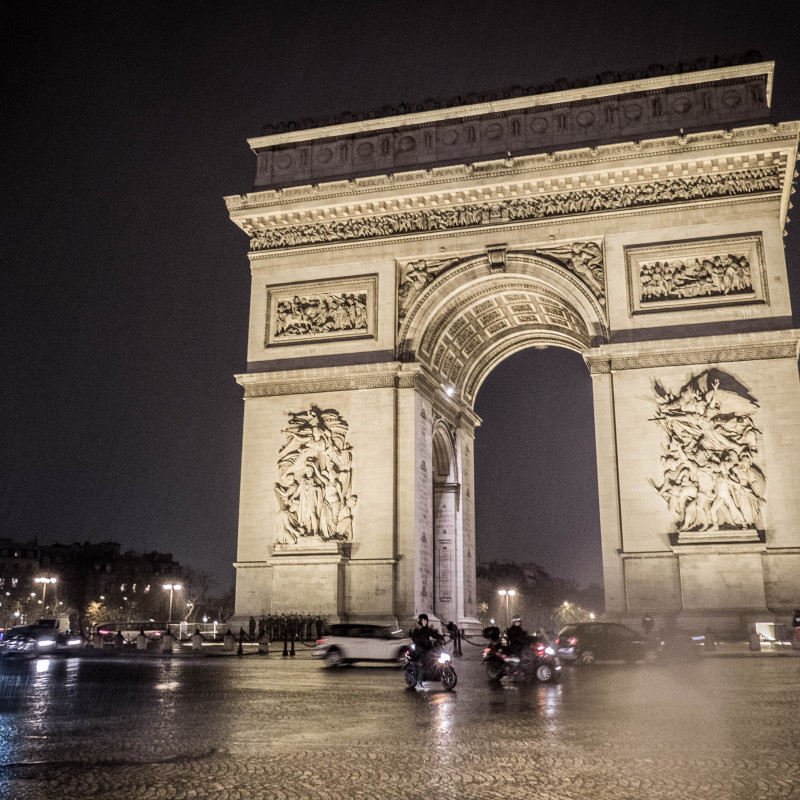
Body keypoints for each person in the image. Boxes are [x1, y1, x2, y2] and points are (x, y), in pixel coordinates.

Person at [410, 614, 443, 691]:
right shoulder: (416, 630)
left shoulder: (426, 629)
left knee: (435, 656)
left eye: (426, 620)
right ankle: (419, 682)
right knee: (423, 664)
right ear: (420, 621)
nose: (425, 622)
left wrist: (440, 637)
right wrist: (422, 641)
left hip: (427, 648)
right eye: (423, 620)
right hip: (419, 649)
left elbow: (433, 634)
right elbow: (414, 639)